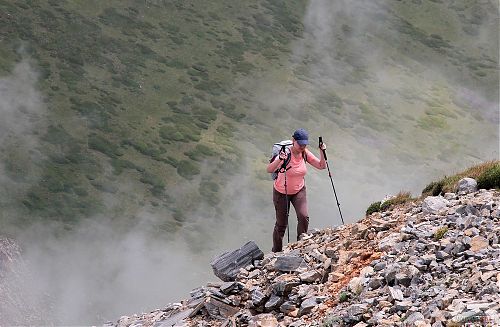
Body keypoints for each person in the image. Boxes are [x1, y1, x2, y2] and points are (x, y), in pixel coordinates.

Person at [266, 128, 327, 252]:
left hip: (299, 190)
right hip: (281, 192)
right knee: (281, 224)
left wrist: (322, 152)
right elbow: (269, 169)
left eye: (305, 144)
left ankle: (301, 245)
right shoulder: (285, 153)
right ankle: (276, 251)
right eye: (300, 144)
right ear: (293, 140)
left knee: (303, 217)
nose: (302, 146)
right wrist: (279, 159)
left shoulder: (304, 152)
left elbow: (321, 166)